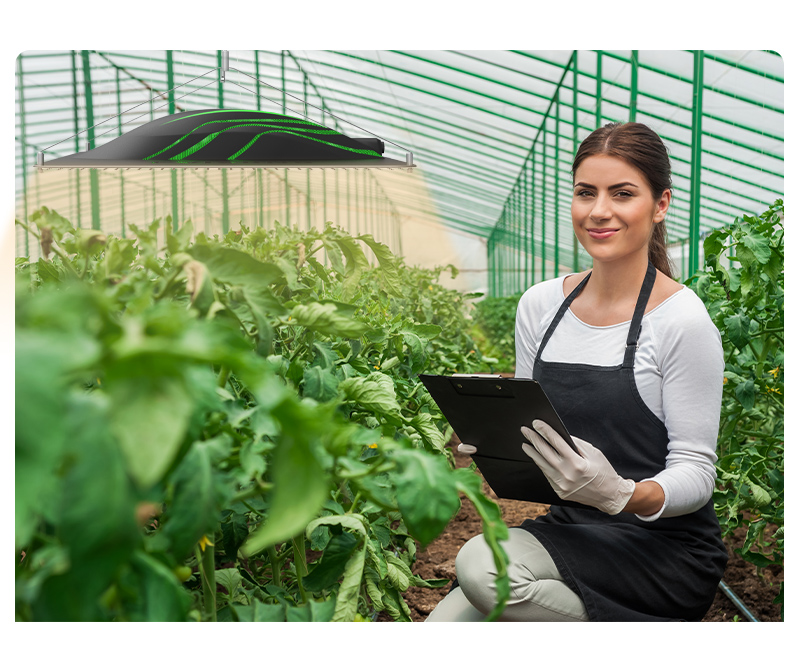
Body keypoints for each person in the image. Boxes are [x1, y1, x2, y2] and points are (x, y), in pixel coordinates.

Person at [425, 122, 728, 622]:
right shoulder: (542, 305)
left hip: (662, 552)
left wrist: (621, 494)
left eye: (623, 193)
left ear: (660, 205)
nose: (599, 210)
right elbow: (537, 432)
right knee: (446, 624)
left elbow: (697, 473)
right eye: (586, 193)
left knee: (483, 569)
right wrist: (494, 436)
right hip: (572, 528)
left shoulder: (681, 321)